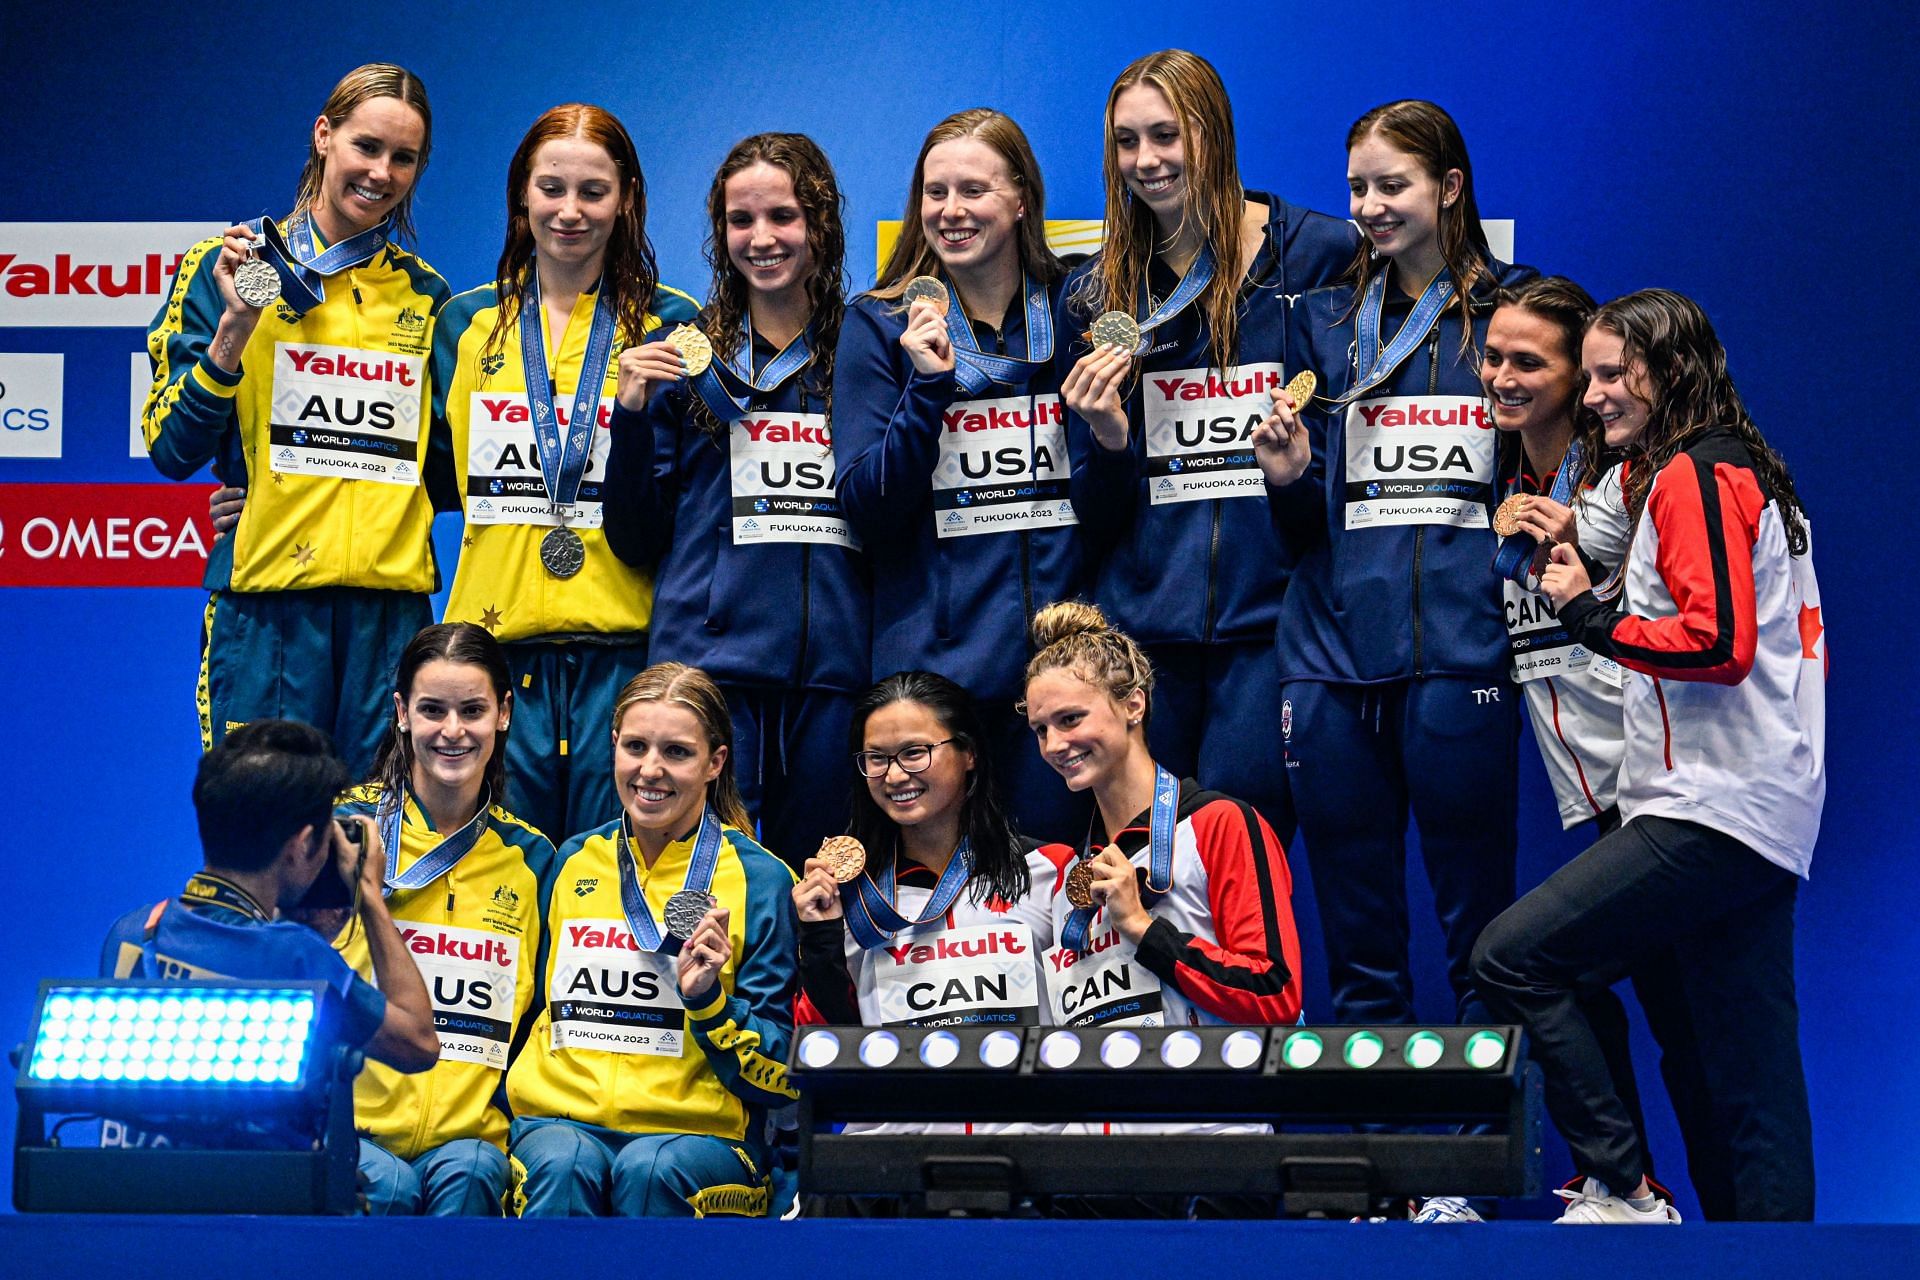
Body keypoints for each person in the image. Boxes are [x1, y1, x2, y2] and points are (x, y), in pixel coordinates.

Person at [1474, 289, 1825, 1224]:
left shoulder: (1693, 475)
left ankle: (1621, 1188)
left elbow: (1718, 644)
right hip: (1760, 806)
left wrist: (1590, 615)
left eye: (1608, 375)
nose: (1592, 398)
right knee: (1743, 1076)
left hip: (1710, 806)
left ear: (1668, 373)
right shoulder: (1735, 468)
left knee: (1514, 959)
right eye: (1586, 376)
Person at [1255, 100, 1535, 1033]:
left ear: (1451, 188)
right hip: (1329, 658)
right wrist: (1291, 476)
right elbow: (1306, 519)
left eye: (1393, 185)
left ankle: (1465, 1176)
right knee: (1359, 944)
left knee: (1479, 940)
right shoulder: (1323, 324)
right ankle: (1375, 1172)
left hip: (1462, 654)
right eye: (1357, 189)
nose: (1370, 207)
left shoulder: (1518, 314)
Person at [1062, 49, 1356, 839]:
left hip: (1272, 630)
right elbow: (1091, 512)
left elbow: (1341, 462)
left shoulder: (1323, 253)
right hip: (1141, 638)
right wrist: (1111, 442)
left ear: (1214, 133)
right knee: (1140, 874)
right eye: (1127, 142)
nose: (1147, 161)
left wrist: (1294, 481)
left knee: (1240, 867)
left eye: (1167, 135)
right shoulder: (1096, 292)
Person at [141, 64, 447, 776]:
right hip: (267, 610)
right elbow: (170, 448)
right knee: (267, 834)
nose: (381, 172)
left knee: (374, 847)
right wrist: (235, 330)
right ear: (323, 135)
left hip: (388, 615)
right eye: (366, 146)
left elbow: (447, 464)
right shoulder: (224, 266)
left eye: (404, 157)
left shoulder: (425, 295)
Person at [428, 103, 699, 843]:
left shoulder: (678, 324)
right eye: (551, 188)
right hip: (494, 654)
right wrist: (253, 492)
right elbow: (416, 475)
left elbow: (695, 497)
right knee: (497, 875)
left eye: (593, 191)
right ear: (522, 194)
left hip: (627, 652)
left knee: (611, 886)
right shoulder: (462, 323)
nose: (570, 211)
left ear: (629, 198)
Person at [603, 133, 865, 869]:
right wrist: (628, 415)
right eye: (739, 220)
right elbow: (633, 537)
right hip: (709, 669)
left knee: (819, 884)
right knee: (708, 889)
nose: (761, 238)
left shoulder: (864, 354)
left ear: (821, 224)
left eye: (782, 216)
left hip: (832, 672)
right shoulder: (682, 354)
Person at [832, 109, 1082, 839]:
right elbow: (867, 505)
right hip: (936, 680)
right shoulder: (878, 325)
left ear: (1020, 199)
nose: (950, 211)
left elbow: (1110, 497)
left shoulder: (1074, 311)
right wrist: (929, 389)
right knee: (941, 910)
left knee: (1055, 885)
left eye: (973, 189)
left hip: (1056, 673)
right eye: (934, 193)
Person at [506, 663, 800, 1217]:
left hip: (698, 1141)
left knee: (650, 1170)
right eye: (636, 746)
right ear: (613, 744)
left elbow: (783, 1079)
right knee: (562, 1165)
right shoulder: (572, 861)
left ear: (715, 762)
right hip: (558, 1125)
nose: (651, 770)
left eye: (677, 752)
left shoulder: (761, 880)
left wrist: (709, 1002)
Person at [325, 623, 556, 1215]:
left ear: (504, 714)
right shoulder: (339, 831)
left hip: (470, 1143)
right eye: (432, 710)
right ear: (401, 712)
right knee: (387, 1186)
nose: (453, 731)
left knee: (475, 1170)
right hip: (352, 1130)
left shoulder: (534, 860)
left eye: (472, 710)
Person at [1022, 601, 1303, 1036]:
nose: (1055, 745)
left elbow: (1273, 993)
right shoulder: (1068, 879)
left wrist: (1141, 926)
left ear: (1134, 705)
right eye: (1041, 730)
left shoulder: (1219, 824)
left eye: (1071, 719)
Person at [100, 719, 438, 1075]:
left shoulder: (132, 934)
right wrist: (369, 892)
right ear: (303, 843)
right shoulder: (298, 958)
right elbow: (418, 1043)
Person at [794, 670, 1066, 1043]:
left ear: (969, 752)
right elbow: (824, 1041)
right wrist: (820, 937)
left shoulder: (1048, 869)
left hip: (1026, 1100)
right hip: (900, 1101)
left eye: (914, 753)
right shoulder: (851, 899)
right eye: (876, 758)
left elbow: (1084, 1017)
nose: (894, 776)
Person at [1483, 277, 1631, 829]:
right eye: (1494, 357)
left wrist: (1586, 563)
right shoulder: (1503, 481)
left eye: (1528, 363)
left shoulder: (1625, 482)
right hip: (1598, 785)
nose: (1503, 379)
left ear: (1579, 378)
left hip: (1661, 776)